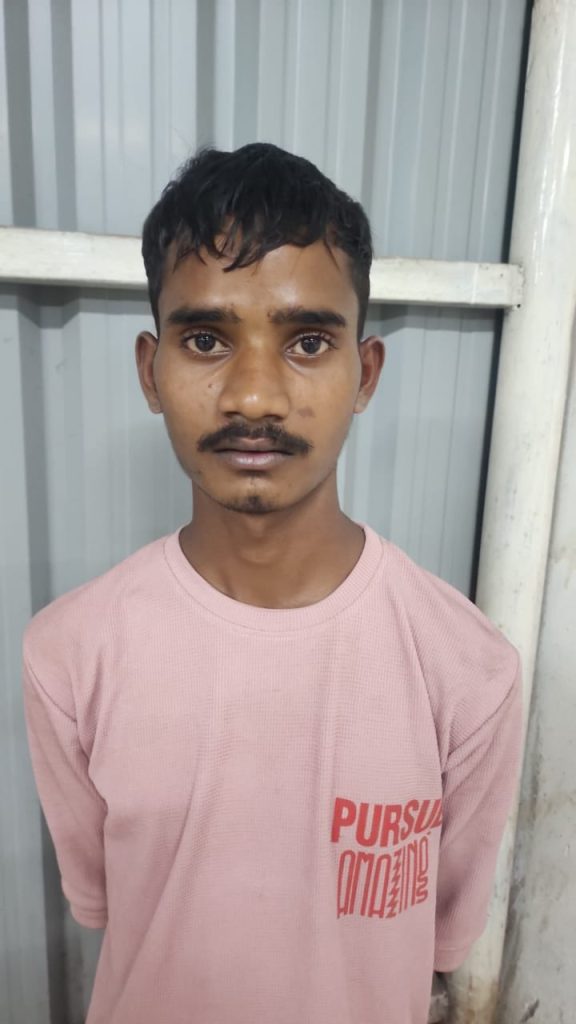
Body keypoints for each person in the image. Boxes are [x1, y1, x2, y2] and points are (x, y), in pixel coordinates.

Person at [22, 143, 523, 1024]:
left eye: (308, 342)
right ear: (150, 371)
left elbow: (443, 938)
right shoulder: (69, 656)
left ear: (365, 374)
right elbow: (104, 902)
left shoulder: (469, 671)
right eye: (206, 339)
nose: (253, 397)